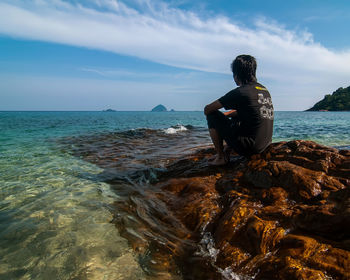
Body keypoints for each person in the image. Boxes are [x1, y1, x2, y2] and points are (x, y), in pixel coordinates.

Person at [204, 55, 274, 165]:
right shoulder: (264, 90)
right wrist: (226, 115)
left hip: (249, 148)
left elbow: (208, 109)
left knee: (212, 115)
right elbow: (250, 112)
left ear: (236, 75)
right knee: (237, 116)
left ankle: (221, 157)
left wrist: (221, 119)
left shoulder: (240, 92)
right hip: (264, 144)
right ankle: (227, 150)